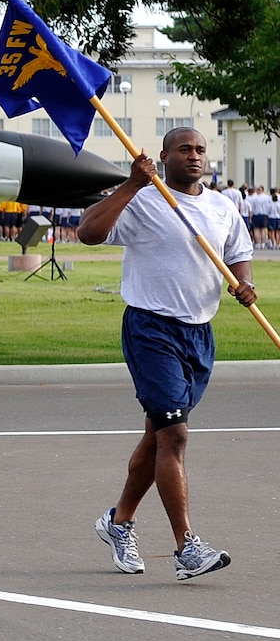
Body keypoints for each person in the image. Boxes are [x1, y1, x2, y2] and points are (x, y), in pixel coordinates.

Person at [79, 128, 250, 581]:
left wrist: (243, 281)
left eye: (199, 150)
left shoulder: (221, 206)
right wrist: (133, 184)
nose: (194, 156)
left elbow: (237, 252)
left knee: (159, 436)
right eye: (184, 149)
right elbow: (88, 233)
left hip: (199, 334)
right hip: (152, 329)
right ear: (164, 156)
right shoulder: (145, 199)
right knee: (175, 436)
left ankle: (118, 522)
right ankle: (186, 548)